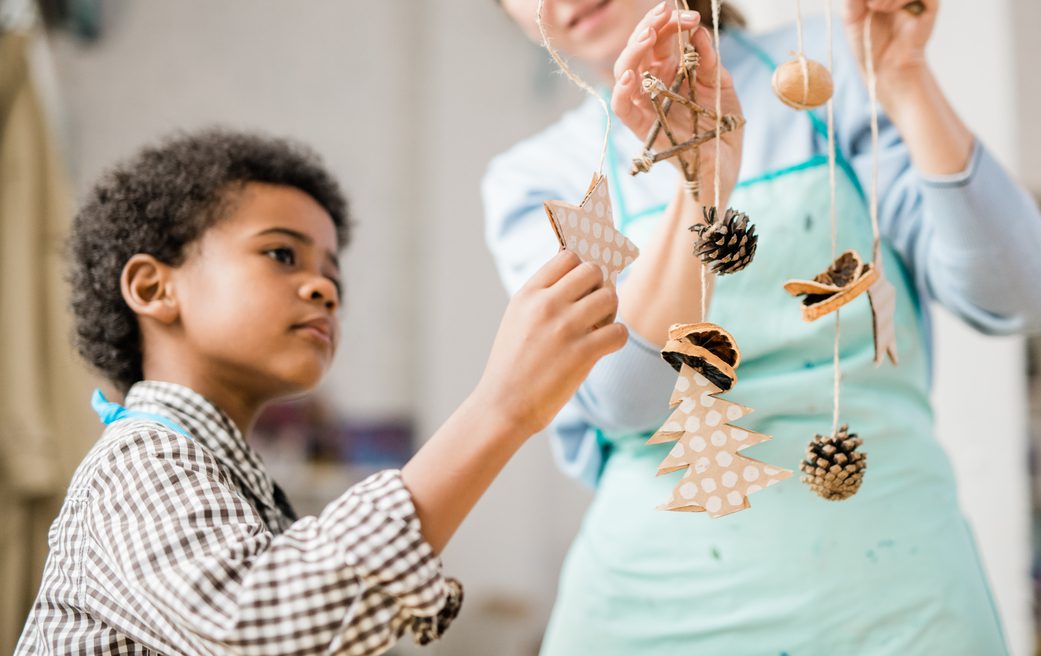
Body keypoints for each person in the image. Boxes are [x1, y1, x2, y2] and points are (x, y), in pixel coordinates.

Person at [460, 0, 1041, 653]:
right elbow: (625, 402)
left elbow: (1020, 298)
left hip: (896, 598)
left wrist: (907, 79)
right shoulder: (541, 179)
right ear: (511, 12)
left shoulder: (818, 77)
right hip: (657, 607)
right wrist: (698, 188)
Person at [15, 129, 627, 654]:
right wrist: (500, 408)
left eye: (333, 275)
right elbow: (263, 633)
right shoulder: (139, 460)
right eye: (282, 254)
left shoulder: (229, 481)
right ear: (153, 288)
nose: (324, 290)